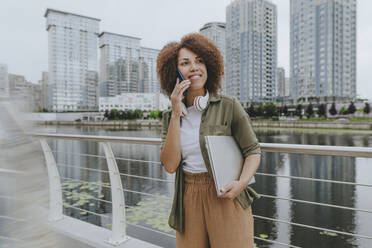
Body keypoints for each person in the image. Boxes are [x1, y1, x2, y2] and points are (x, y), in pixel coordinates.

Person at [157, 33, 261, 248]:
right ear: (174, 72)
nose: (194, 67)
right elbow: (169, 165)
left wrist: (241, 183)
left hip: (227, 193)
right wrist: (176, 114)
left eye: (200, 60)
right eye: (185, 63)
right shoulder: (169, 117)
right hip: (188, 195)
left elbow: (253, 151)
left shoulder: (229, 105)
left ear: (209, 66)